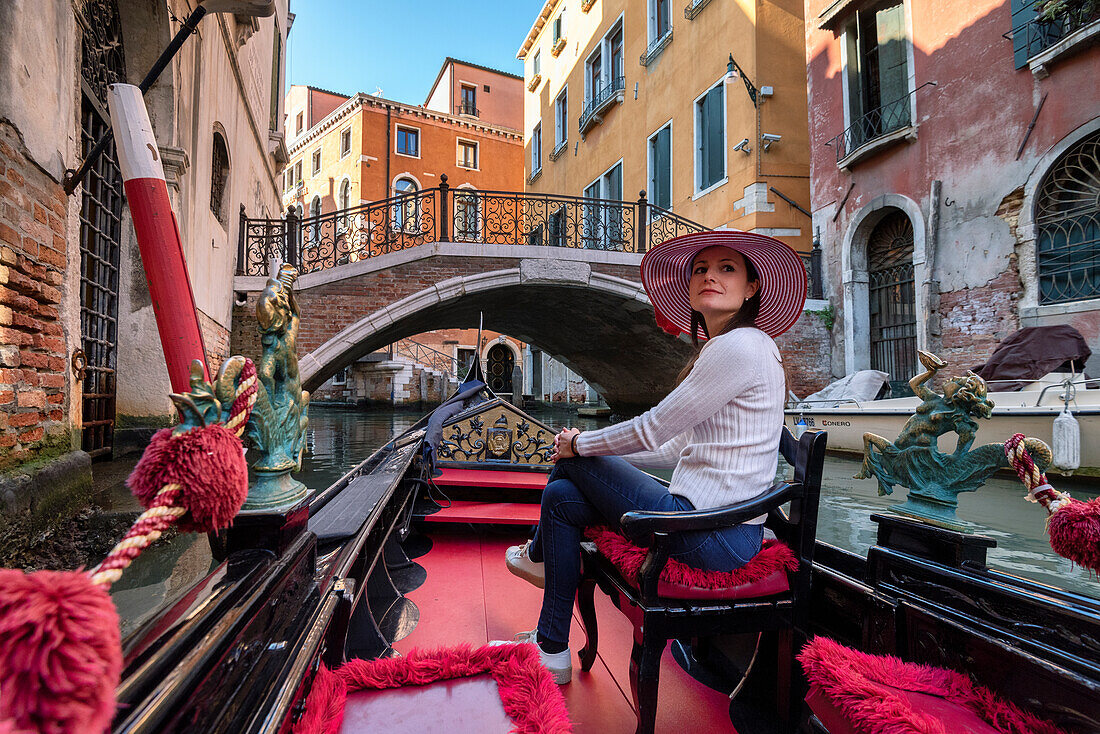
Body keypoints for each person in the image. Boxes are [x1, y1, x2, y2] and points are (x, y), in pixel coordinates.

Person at [494, 230, 808, 684]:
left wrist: (580, 445)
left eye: (726, 269)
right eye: (700, 269)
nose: (709, 277)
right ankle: (551, 648)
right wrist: (602, 463)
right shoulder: (734, 347)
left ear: (751, 287)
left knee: (570, 465)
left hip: (714, 535)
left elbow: (655, 426)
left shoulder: (740, 346)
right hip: (708, 527)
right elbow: (678, 446)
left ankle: (539, 556)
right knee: (562, 495)